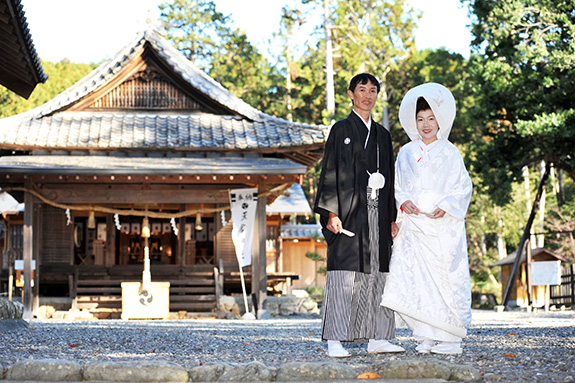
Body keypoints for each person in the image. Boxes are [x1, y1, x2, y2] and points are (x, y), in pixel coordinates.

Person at [314, 73, 403, 358]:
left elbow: (389, 176)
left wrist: (391, 217)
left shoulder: (383, 135)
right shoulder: (341, 129)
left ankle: (379, 337)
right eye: (362, 89)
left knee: (379, 272)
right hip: (348, 212)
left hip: (378, 212)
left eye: (373, 90)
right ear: (351, 94)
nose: (368, 95)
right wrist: (331, 212)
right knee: (344, 273)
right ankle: (335, 340)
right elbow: (329, 171)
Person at [380, 82, 473, 355]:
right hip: (414, 227)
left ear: (439, 120)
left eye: (431, 118)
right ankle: (426, 335)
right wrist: (402, 200)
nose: (426, 124)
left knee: (445, 280)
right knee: (416, 281)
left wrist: (447, 205)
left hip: (442, 227)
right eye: (420, 119)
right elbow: (397, 185)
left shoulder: (450, 152)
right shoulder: (407, 152)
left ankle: (451, 337)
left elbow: (463, 187)